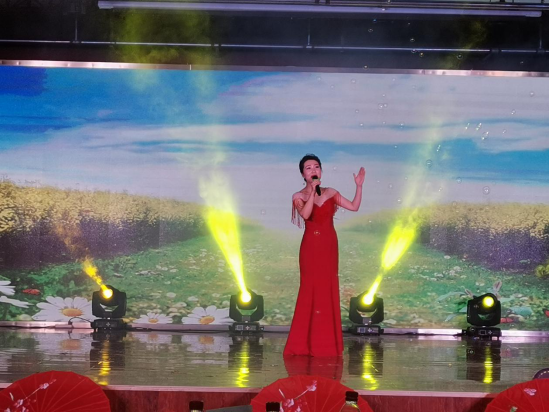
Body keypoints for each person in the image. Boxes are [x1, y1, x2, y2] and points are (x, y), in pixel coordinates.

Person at [284, 154, 365, 357]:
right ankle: (304, 345)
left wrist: (359, 186)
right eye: (308, 168)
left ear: (321, 170)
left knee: (327, 290)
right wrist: (312, 191)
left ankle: (326, 345)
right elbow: (305, 215)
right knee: (310, 290)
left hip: (329, 246)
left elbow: (354, 207)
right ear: (303, 174)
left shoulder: (331, 192)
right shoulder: (298, 196)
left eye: (316, 167)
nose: (313, 170)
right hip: (310, 247)